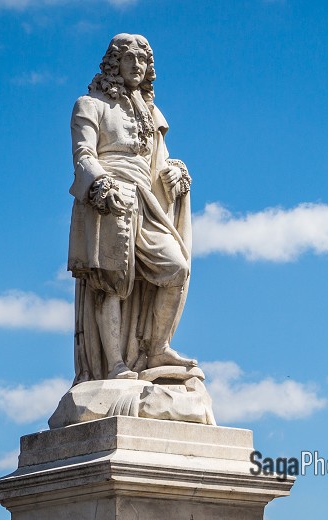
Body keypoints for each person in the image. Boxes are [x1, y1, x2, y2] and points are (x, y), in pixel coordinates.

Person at [68, 33, 195, 383]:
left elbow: (158, 161)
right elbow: (84, 157)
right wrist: (102, 186)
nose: (137, 67)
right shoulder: (89, 105)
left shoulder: (149, 112)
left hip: (146, 199)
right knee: (112, 284)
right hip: (109, 199)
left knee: (176, 268)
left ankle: (157, 347)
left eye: (143, 61)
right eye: (129, 60)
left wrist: (175, 171)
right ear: (114, 64)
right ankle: (114, 366)